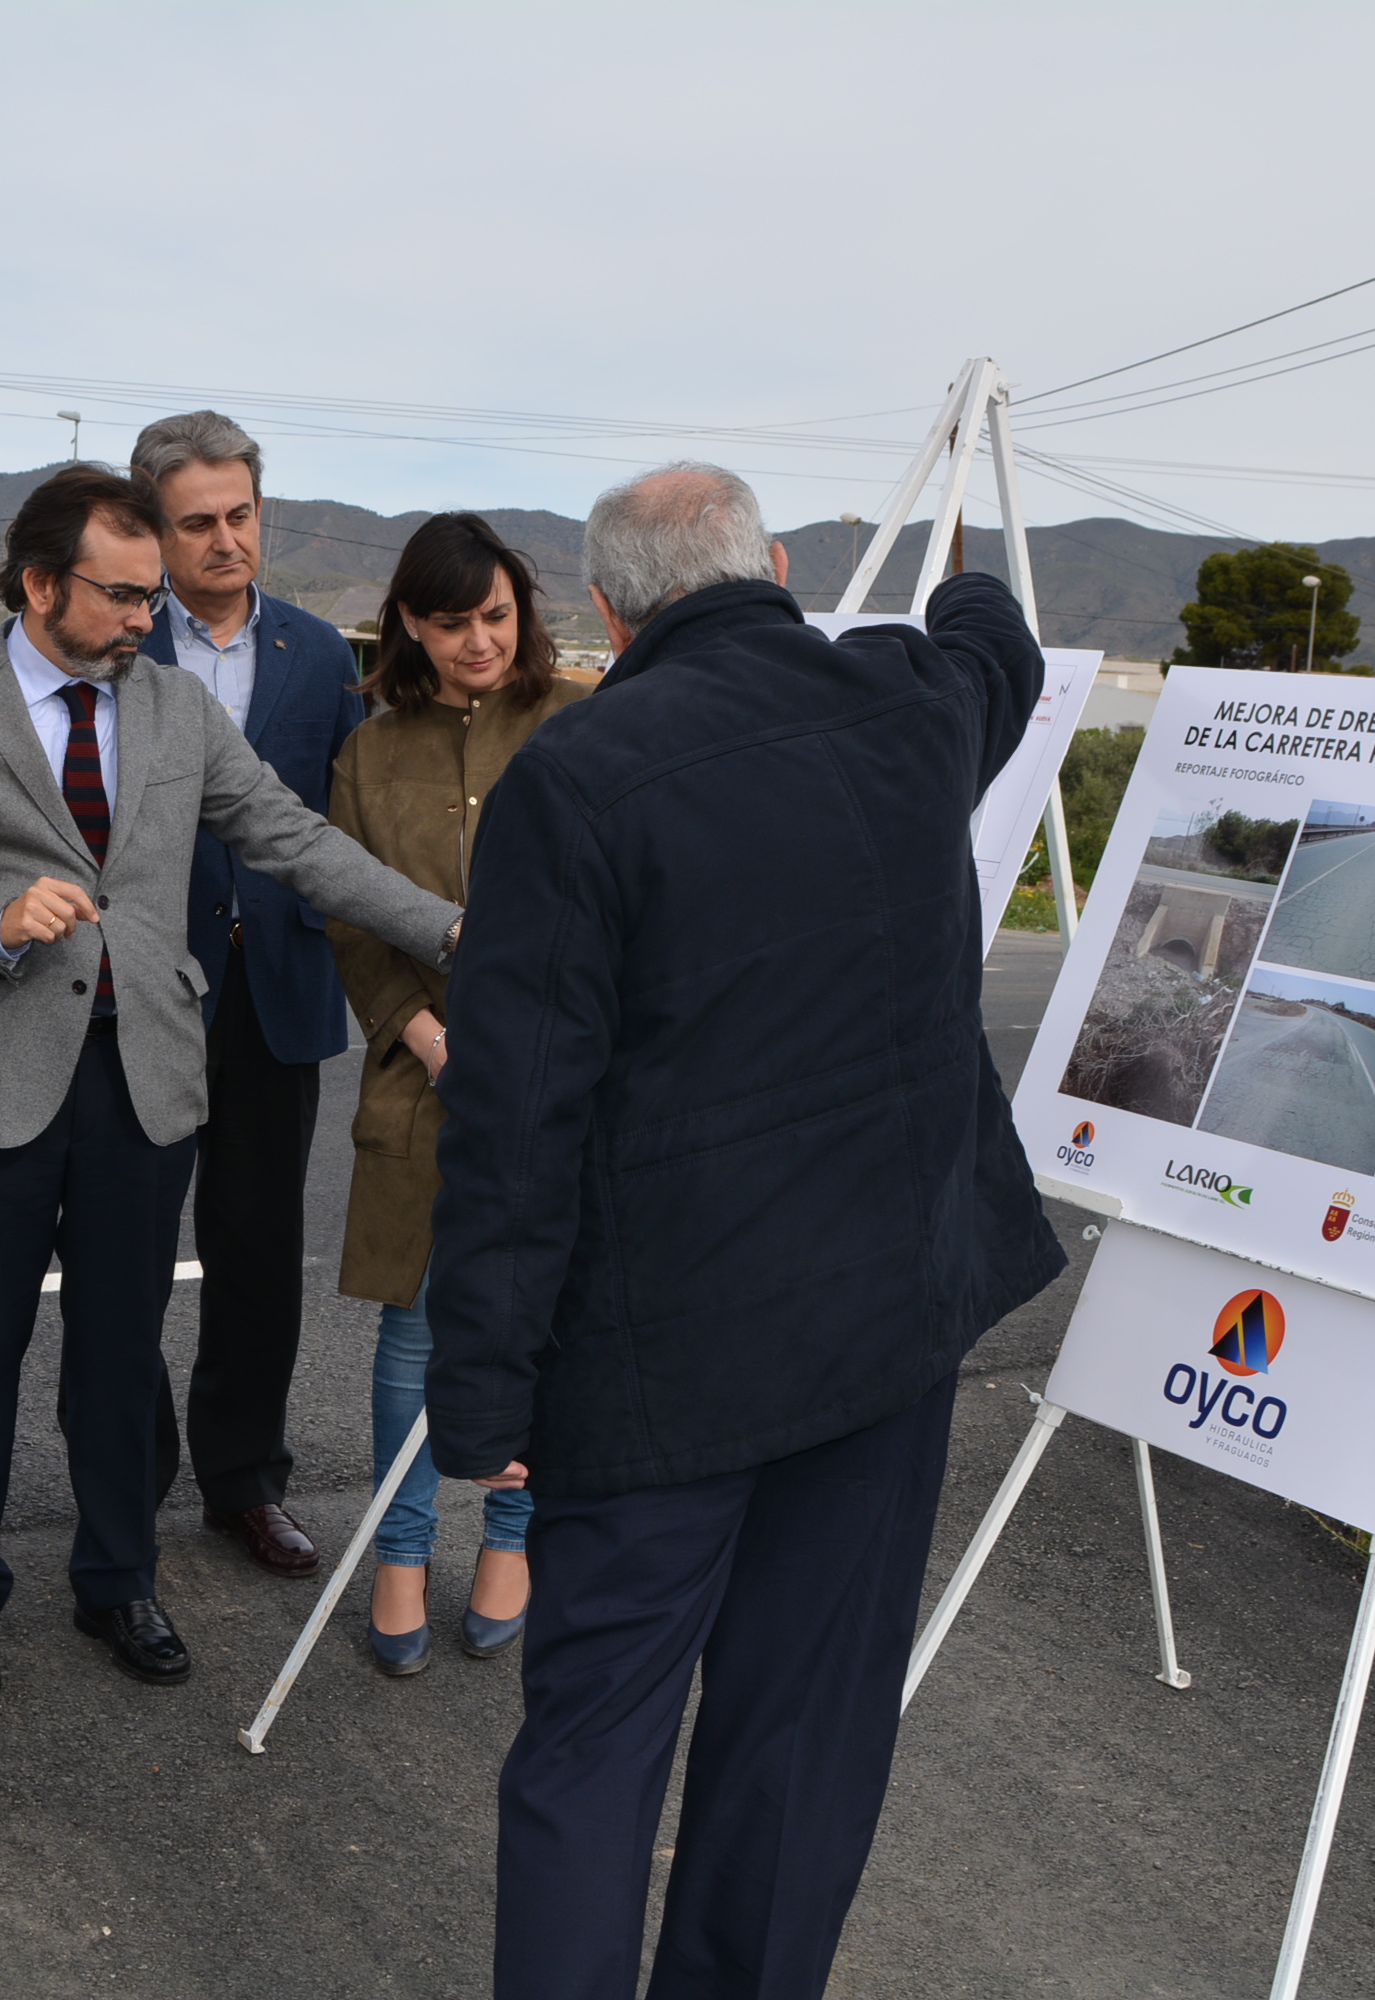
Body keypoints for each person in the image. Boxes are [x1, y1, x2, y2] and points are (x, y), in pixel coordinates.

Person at [424, 463, 1063, 1997]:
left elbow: (518, 1122)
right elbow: (999, 643)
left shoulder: (575, 783)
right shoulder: (912, 708)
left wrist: (485, 1393)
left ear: (605, 606)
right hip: (882, 1352)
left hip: (661, 1377)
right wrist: (967, 571)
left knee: (593, 1755)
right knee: (805, 1744)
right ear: (774, 564)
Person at [0, 466, 460, 1702]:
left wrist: (457, 932)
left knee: (119, 1345)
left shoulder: (178, 709)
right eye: (124, 595)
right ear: (38, 585)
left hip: (143, 1078)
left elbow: (291, 840)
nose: (150, 616)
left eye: (153, 596)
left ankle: (116, 1579)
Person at [324, 514, 587, 1676]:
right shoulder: (369, 750)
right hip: (424, 1077)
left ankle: (516, 1537)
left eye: (494, 614)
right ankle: (399, 1550)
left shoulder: (583, 718)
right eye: (448, 621)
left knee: (546, 1320)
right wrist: (422, 1032)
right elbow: (347, 908)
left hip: (572, 1075)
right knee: (417, 1325)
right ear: (409, 627)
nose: (477, 641)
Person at [129, 411, 365, 1580]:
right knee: (123, 1243)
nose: (225, 540)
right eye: (197, 522)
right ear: (153, 532)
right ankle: (127, 1472)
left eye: (240, 515)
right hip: (145, 991)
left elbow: (341, 825)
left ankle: (244, 1481)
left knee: (258, 1251)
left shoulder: (322, 656)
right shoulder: (119, 648)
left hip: (279, 989)